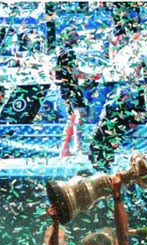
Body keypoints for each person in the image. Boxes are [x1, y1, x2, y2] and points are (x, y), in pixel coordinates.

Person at [54, 27, 100, 157]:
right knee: (80, 114)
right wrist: (91, 76)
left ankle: (64, 149)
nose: (77, 37)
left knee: (73, 117)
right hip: (69, 86)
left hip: (67, 86)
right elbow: (74, 72)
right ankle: (77, 146)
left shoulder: (62, 51)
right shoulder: (68, 52)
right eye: (74, 35)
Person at [88, 85, 143, 172]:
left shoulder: (125, 108)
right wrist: (114, 138)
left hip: (109, 137)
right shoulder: (112, 106)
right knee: (98, 160)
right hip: (103, 136)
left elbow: (126, 123)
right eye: (125, 96)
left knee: (107, 161)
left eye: (128, 96)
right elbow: (106, 122)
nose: (127, 98)